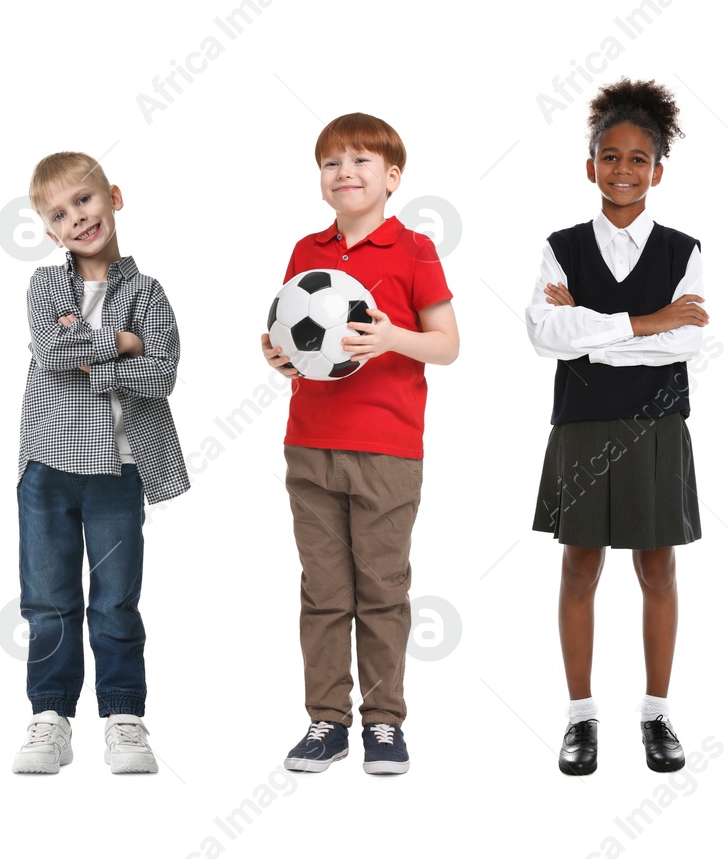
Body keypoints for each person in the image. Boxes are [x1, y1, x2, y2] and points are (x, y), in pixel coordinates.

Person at [261, 113, 459, 775]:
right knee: (323, 590)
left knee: (380, 587)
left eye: (361, 161)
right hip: (309, 443)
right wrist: (280, 357)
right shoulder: (306, 252)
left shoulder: (413, 251)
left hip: (387, 450)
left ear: (392, 176)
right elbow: (292, 337)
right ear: (321, 181)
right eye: (331, 163)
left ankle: (383, 723)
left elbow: (448, 344)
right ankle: (326, 719)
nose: (345, 172)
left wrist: (390, 338)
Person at [527, 78, 708, 775]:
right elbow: (546, 334)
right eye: (610, 156)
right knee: (578, 564)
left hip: (657, 426)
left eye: (638, 159)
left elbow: (684, 343)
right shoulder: (560, 246)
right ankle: (580, 717)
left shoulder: (684, 249)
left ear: (658, 170)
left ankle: (658, 711)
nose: (623, 170)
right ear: (590, 165)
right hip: (580, 424)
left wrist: (591, 331)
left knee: (657, 566)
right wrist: (646, 321)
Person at [13, 151, 189, 774]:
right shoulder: (44, 286)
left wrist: (92, 353)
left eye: (84, 201)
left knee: (115, 599)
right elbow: (51, 350)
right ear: (50, 230)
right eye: (60, 214)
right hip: (48, 466)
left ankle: (123, 716)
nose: (77, 218)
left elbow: (161, 372)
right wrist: (120, 342)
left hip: (119, 470)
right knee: (48, 598)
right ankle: (51, 716)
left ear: (113, 197)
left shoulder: (147, 291)